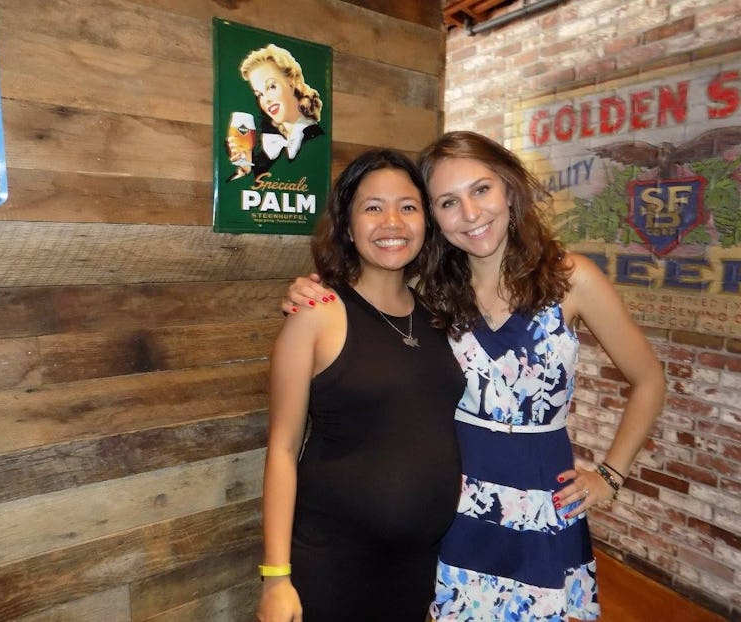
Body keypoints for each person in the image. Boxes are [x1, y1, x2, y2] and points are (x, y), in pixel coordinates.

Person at [283, 131, 666, 621]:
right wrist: (309, 292)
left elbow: (650, 379)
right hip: (454, 506)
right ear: (434, 218)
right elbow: (363, 300)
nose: (470, 213)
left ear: (509, 189)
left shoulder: (572, 280)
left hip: (541, 504)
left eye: (481, 190)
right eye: (447, 201)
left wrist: (611, 475)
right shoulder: (429, 291)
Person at [257, 149, 465, 622]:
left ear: (427, 224)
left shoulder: (436, 314)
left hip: (418, 566)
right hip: (333, 564)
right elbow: (282, 449)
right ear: (348, 226)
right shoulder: (318, 313)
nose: (392, 221)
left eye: (408, 207)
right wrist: (276, 577)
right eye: (373, 207)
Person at [227, 43, 325, 180]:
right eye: (259, 94)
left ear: (291, 83)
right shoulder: (267, 148)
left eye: (271, 86)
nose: (265, 100)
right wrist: (246, 168)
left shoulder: (316, 140)